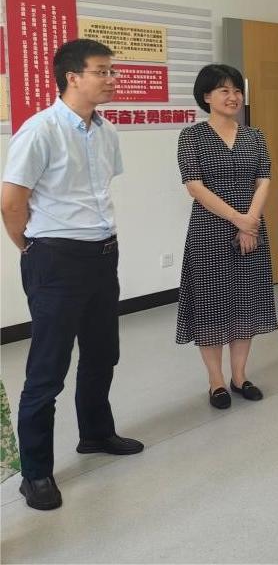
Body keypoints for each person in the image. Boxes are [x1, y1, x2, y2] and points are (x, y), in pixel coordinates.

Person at [0, 39, 144, 511]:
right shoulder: (39, 130)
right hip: (56, 258)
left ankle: (96, 433)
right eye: (102, 71)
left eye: (112, 71)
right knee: (48, 368)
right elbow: (11, 202)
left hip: (102, 255)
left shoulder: (106, 131)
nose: (111, 79)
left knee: (103, 353)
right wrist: (31, 247)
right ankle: (36, 473)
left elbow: (99, 192)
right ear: (72, 77)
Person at [176, 64, 277, 408]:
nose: (233, 97)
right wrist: (240, 220)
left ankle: (240, 376)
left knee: (246, 301)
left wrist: (251, 222)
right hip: (209, 230)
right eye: (224, 90)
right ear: (206, 96)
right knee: (211, 304)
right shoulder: (191, 136)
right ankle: (216, 381)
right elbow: (194, 186)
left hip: (252, 227)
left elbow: (264, 179)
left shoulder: (254, 136)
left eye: (236, 90)